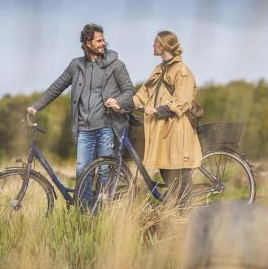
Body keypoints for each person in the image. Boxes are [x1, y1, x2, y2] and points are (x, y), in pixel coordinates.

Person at [27, 23, 134, 184]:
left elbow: (129, 91)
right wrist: (36, 106)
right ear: (87, 43)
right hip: (84, 129)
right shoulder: (75, 66)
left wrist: (117, 100)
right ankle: (85, 208)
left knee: (105, 171)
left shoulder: (116, 65)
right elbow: (57, 86)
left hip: (107, 127)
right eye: (98, 41)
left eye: (103, 40)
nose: (103, 43)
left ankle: (104, 207)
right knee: (82, 172)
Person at [105, 30, 202, 207]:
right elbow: (142, 95)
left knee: (180, 173)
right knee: (167, 169)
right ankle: (177, 209)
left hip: (177, 129)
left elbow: (182, 101)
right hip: (162, 129)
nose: (152, 46)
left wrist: (157, 111)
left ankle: (185, 214)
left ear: (163, 45)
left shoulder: (182, 71)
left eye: (155, 43)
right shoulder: (159, 69)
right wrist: (120, 105)